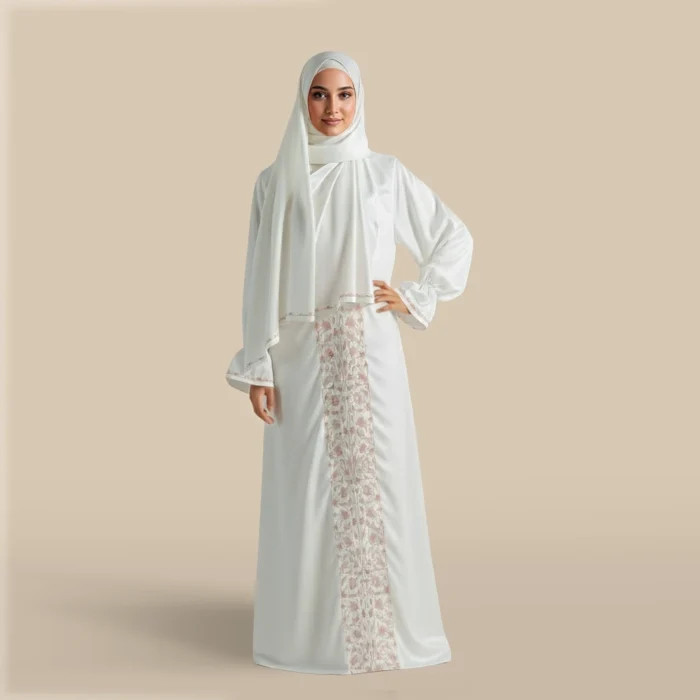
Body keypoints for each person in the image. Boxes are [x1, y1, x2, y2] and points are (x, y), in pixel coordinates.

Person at [225, 50, 474, 675]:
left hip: (370, 354)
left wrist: (416, 295)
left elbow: (453, 237)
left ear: (359, 100)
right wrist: (258, 366)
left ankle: (390, 635)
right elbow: (259, 280)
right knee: (304, 495)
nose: (332, 108)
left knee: (381, 485)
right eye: (319, 94)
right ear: (302, 101)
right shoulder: (274, 181)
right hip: (300, 359)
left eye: (344, 95)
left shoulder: (384, 174)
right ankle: (307, 640)